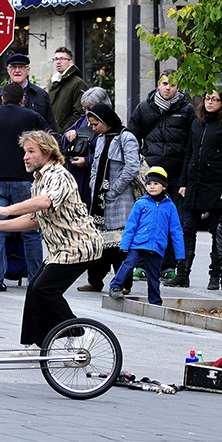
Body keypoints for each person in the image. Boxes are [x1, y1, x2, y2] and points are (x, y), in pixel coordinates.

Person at [0, 130, 103, 348]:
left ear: (46, 154)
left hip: (80, 246)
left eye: (30, 152)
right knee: (35, 287)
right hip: (61, 249)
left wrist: (5, 210)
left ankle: (79, 335)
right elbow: (35, 219)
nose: (25, 157)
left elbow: (44, 202)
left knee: (45, 289)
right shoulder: (39, 180)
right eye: (24, 152)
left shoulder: (58, 175)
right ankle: (35, 344)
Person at [0, 82, 49, 290]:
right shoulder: (32, 117)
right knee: (31, 230)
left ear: (2, 99)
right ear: (23, 100)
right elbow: (49, 140)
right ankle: (35, 280)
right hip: (24, 180)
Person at [127, 69, 195, 282]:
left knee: (173, 221)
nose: (168, 88)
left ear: (178, 87)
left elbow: (191, 143)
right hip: (152, 173)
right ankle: (141, 264)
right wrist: (138, 163)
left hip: (176, 174)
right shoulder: (144, 108)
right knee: (146, 219)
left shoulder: (187, 110)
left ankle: (167, 266)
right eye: (164, 83)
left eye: (172, 85)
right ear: (158, 85)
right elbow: (131, 137)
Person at [168, 89, 222, 289]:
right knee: (187, 229)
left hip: (217, 185)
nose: (210, 102)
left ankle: (214, 276)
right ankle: (182, 274)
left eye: (215, 99)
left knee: (216, 231)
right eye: (207, 98)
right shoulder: (197, 123)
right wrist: (183, 183)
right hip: (194, 184)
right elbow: (189, 154)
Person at [77, 103, 140, 294]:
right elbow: (96, 165)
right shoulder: (102, 138)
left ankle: (124, 284)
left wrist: (114, 190)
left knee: (120, 244)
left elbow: (132, 167)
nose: (94, 128)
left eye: (96, 124)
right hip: (100, 201)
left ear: (105, 121)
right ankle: (95, 281)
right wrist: (93, 188)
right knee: (98, 243)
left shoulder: (126, 137)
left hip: (120, 200)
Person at [108, 167, 185, 305]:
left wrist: (179, 253)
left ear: (164, 186)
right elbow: (130, 226)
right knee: (129, 263)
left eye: (156, 183)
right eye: (149, 183)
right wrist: (125, 245)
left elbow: (176, 231)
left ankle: (155, 301)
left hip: (157, 246)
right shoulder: (140, 203)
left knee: (154, 274)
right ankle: (115, 285)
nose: (152, 186)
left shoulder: (170, 207)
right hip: (138, 243)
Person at [61, 87, 112, 210]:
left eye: (90, 108)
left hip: (94, 175)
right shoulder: (82, 120)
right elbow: (64, 141)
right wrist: (68, 134)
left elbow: (110, 151)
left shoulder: (109, 123)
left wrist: (87, 160)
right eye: (85, 108)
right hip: (75, 175)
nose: (86, 112)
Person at [0, 53, 56, 130]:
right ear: (8, 70)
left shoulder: (41, 95)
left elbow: (50, 126)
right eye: (13, 67)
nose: (17, 71)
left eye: (21, 67)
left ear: (28, 70)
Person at [48, 47, 88, 136]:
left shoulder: (78, 83)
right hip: (50, 135)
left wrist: (64, 131)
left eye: (62, 59)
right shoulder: (54, 83)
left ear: (70, 62)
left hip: (66, 137)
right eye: (56, 59)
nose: (58, 62)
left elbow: (80, 112)